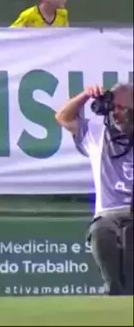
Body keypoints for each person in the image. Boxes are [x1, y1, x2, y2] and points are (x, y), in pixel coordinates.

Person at [55, 83, 134, 295]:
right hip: (108, 214)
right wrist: (85, 95)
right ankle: (114, 294)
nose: (116, 113)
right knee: (100, 232)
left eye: (122, 108)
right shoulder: (97, 133)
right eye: (113, 107)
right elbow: (63, 117)